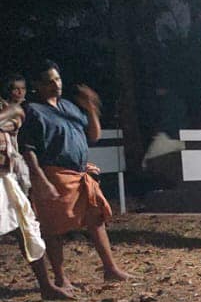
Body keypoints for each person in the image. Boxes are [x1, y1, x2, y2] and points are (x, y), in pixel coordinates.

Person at [18, 61, 128, 286]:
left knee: (95, 218)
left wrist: (91, 109)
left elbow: (93, 136)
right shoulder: (33, 111)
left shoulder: (68, 106)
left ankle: (110, 268)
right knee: (53, 227)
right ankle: (60, 277)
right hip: (54, 174)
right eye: (49, 81)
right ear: (37, 85)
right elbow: (28, 150)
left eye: (57, 79)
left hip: (79, 174)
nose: (55, 84)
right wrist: (40, 179)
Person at [0, 91, 72, 300]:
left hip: (5, 176)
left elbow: (17, 116)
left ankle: (46, 286)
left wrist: (9, 115)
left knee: (27, 229)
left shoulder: (4, 103)